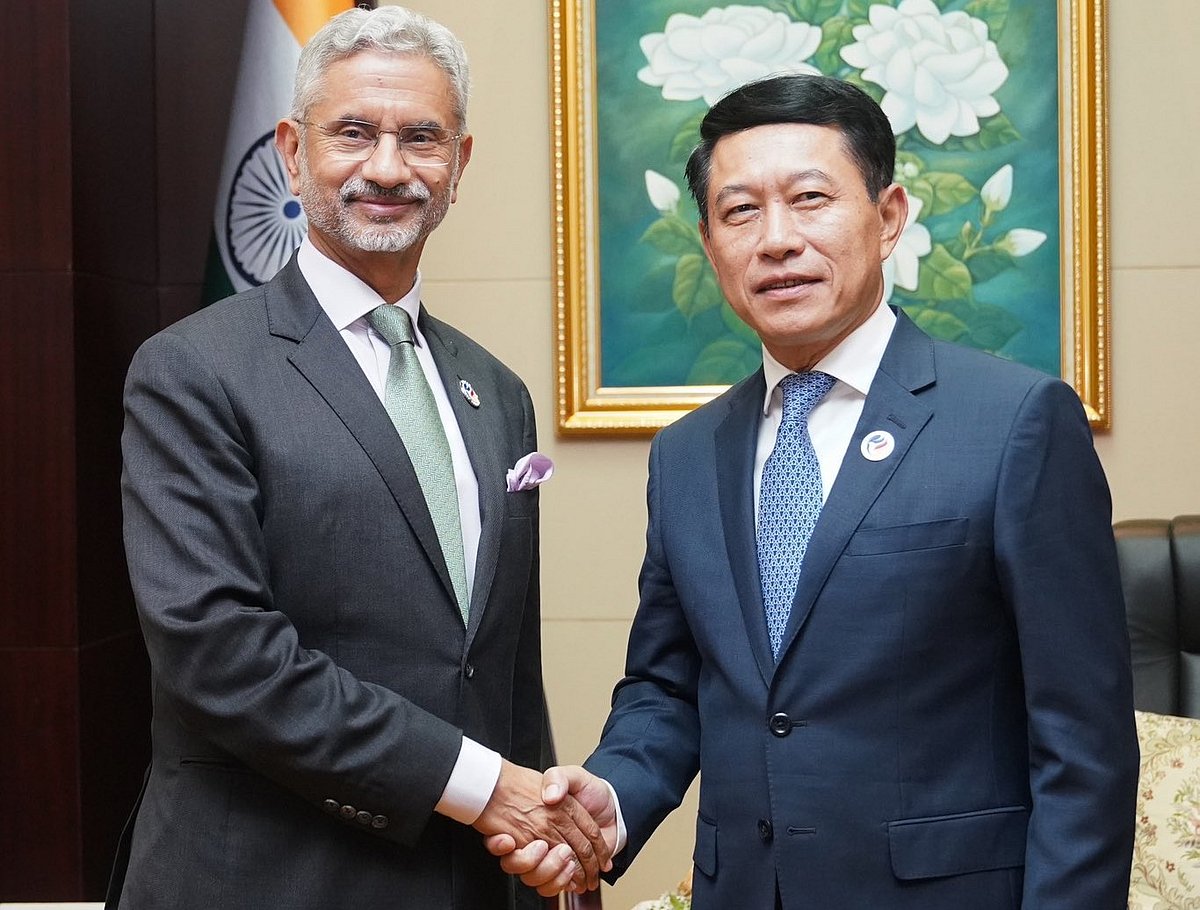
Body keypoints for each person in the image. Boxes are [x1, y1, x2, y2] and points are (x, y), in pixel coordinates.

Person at [492, 73, 1139, 908]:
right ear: (708, 241)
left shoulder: (1013, 422)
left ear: (890, 215)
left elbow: (1082, 742)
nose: (777, 240)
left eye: (810, 198)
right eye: (740, 211)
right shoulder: (688, 454)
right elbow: (668, 685)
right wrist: (609, 805)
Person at [105, 6, 608, 909]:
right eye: (354, 133)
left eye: (422, 138)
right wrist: (488, 788)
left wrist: (553, 862)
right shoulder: (192, 371)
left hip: (470, 879)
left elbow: (493, 667)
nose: (387, 167)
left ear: (460, 164)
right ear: (294, 153)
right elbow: (222, 656)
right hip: (268, 878)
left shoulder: (495, 390)